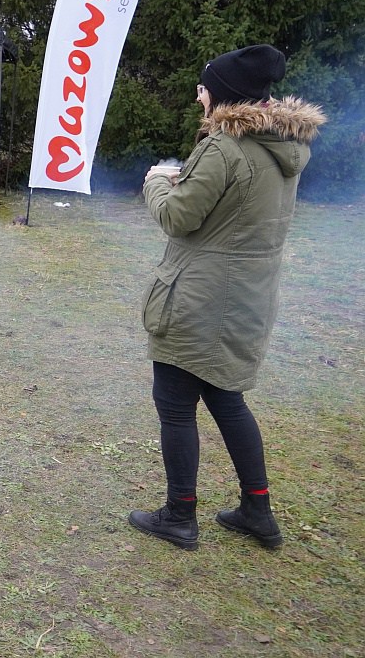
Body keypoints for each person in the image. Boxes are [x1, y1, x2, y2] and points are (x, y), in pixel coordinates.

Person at [128, 45, 325, 551]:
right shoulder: (283, 145)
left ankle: (179, 515)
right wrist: (184, 181)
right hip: (246, 299)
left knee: (174, 405)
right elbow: (232, 204)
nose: (199, 93)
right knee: (226, 398)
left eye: (204, 85)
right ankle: (257, 510)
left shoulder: (223, 146)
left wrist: (155, 183)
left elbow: (178, 217)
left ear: (224, 94)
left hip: (200, 299)